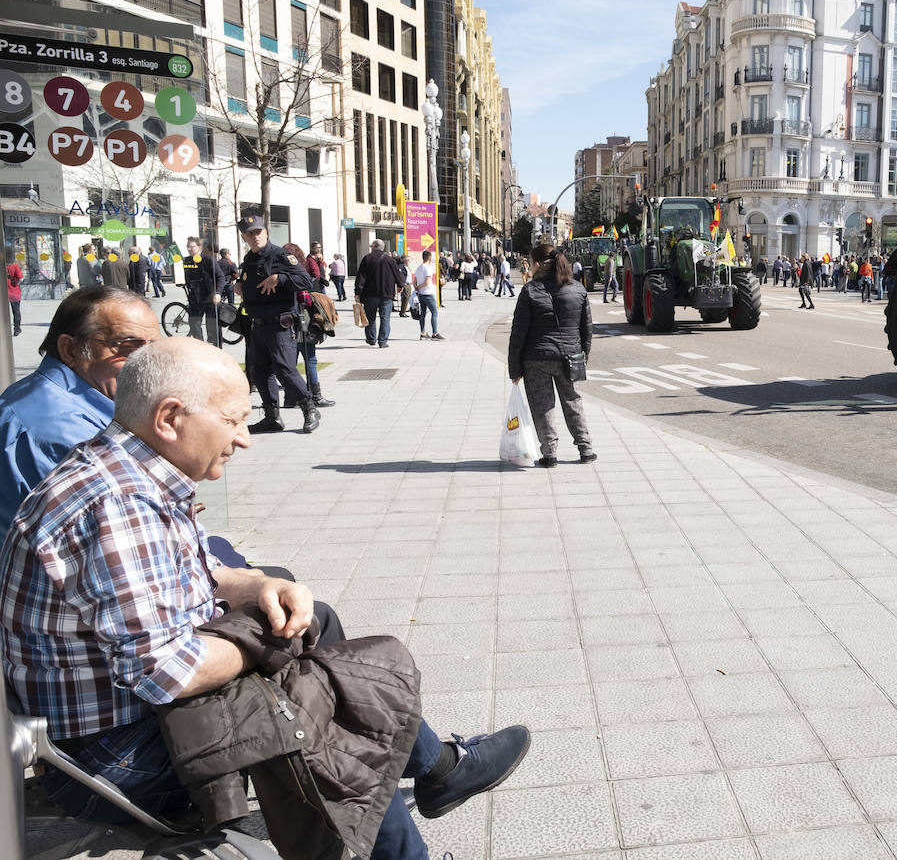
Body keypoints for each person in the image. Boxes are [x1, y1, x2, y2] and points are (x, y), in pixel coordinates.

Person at [0, 337, 531, 859]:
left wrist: (257, 586)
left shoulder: (127, 469)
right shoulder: (119, 504)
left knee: (315, 643)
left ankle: (438, 776)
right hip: (114, 756)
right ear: (169, 418)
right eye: (232, 420)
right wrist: (269, 642)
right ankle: (435, 785)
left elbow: (196, 571)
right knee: (323, 701)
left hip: (123, 721)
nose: (245, 437)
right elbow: (167, 672)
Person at [0, 287, 158, 531]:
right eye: (127, 346)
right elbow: (122, 534)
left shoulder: (48, 395)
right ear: (70, 350)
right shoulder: (60, 429)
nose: (145, 363)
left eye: (152, 349)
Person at [508, 244, 594, 468]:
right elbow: (587, 328)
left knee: (542, 405)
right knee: (573, 401)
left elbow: (518, 333)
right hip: (571, 356)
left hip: (537, 359)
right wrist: (584, 354)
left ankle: (550, 454)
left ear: (536, 264)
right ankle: (585, 449)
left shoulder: (530, 290)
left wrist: (515, 369)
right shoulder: (578, 289)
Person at [235, 214, 319, 434]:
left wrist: (279, 279)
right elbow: (246, 279)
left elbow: (306, 281)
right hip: (258, 324)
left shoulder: (280, 256)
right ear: (244, 237)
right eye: (250, 234)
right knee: (260, 371)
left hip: (279, 324)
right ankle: (272, 417)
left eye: (258, 232)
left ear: (266, 232)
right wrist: (238, 285)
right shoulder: (249, 260)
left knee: (284, 369)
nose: (255, 237)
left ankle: (309, 408)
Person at [284, 243, 336, 408]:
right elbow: (305, 299)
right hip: (301, 322)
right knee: (310, 359)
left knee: (290, 363)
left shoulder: (278, 273)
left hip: (284, 324)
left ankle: (290, 397)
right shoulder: (298, 274)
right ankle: (315, 395)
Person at [356, 238, 406, 347]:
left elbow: (361, 277)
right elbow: (398, 274)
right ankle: (382, 341)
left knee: (370, 317)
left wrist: (358, 292)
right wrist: (400, 285)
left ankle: (371, 338)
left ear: (374, 246)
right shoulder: (390, 260)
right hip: (386, 294)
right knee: (385, 318)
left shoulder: (367, 259)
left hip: (370, 294)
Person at [182, 236, 224, 345]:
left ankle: (216, 350)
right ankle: (200, 346)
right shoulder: (187, 260)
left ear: (199, 247)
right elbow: (188, 278)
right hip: (195, 299)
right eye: (188, 247)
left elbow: (220, 277)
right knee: (194, 323)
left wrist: (217, 293)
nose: (189, 249)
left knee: (213, 328)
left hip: (210, 297)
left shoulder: (208, 259)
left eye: (191, 246)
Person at [414, 250, 443, 340]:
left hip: (421, 294)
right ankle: (435, 332)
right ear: (429, 257)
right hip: (428, 293)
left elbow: (414, 281)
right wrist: (420, 287)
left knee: (422, 313)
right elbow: (427, 282)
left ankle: (423, 332)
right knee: (434, 312)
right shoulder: (428, 268)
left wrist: (417, 288)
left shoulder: (418, 268)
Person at [6, 249, 20, 336]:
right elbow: (19, 277)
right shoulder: (14, 266)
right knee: (16, 312)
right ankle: (17, 329)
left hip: (4, 294)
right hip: (14, 293)